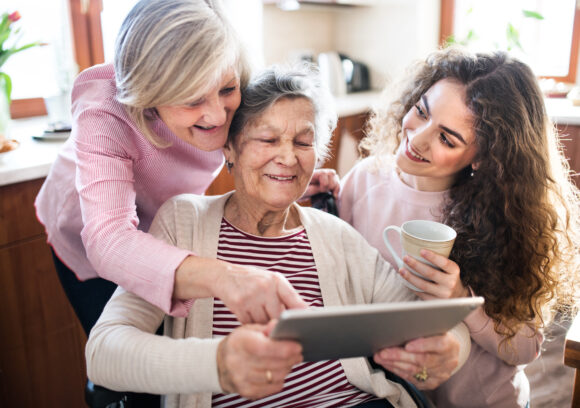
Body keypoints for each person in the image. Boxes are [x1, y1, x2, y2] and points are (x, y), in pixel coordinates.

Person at [85, 63, 472, 408]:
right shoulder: (185, 222)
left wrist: (451, 348)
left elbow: (435, 323)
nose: (288, 158)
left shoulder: (336, 237)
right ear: (231, 149)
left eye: (303, 142)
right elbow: (103, 352)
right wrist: (218, 363)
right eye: (268, 140)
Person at [34, 0, 338, 337]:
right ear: (150, 94)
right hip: (87, 232)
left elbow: (254, 145)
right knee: (130, 355)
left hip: (163, 219)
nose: (219, 117)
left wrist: (284, 178)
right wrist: (226, 276)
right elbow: (109, 241)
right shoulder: (104, 106)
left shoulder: (235, 76)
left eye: (226, 89)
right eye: (192, 100)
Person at [339, 46, 580, 407]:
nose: (416, 138)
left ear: (485, 156)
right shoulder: (363, 181)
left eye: (446, 138)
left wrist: (461, 301)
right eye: (421, 112)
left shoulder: (509, 219)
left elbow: (526, 348)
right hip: (396, 398)